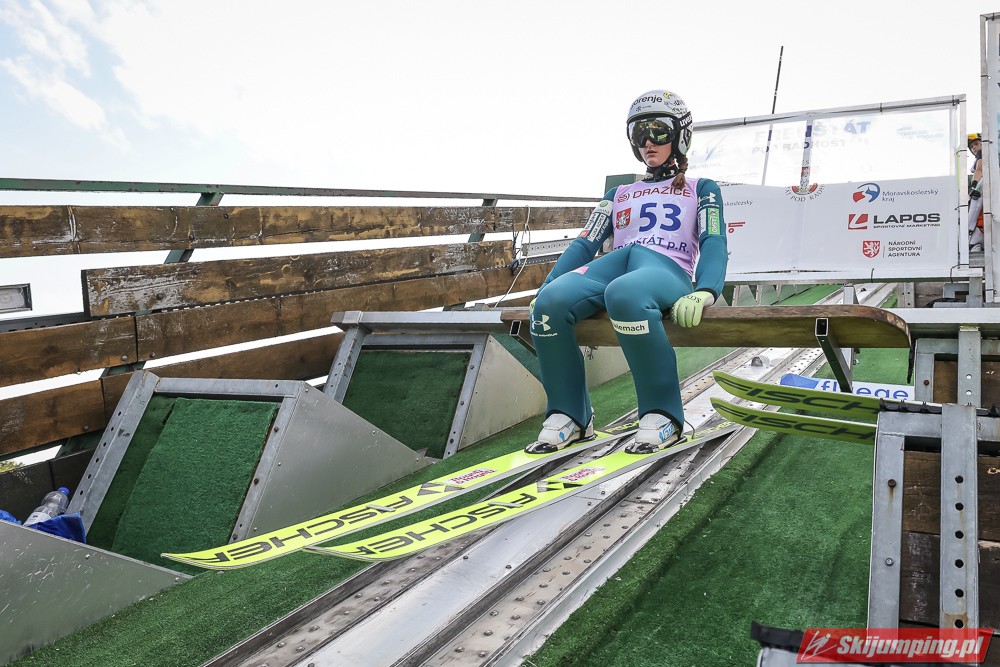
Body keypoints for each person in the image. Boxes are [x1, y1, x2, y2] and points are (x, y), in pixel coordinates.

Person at [525, 89, 728, 455]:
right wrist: (548, 285)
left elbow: (714, 239)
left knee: (625, 293)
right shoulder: (619, 193)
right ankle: (570, 416)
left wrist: (706, 289)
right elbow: (585, 244)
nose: (648, 142)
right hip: (619, 263)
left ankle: (663, 414)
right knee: (549, 303)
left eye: (658, 132)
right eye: (639, 134)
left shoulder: (702, 188)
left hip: (666, 269)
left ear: (681, 136)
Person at [968, 133, 985, 252]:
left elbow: (980, 169)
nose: (974, 147)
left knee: (974, 207)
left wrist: (974, 186)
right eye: (971, 146)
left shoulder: (982, 152)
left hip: (983, 185)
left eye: (976, 144)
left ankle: (971, 238)